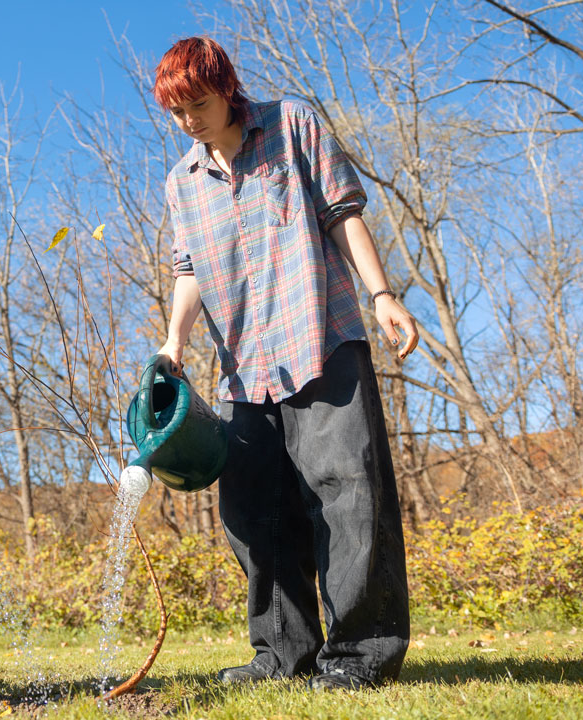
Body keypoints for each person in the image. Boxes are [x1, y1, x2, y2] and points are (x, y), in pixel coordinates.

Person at [153, 37, 416, 691]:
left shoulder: (292, 123)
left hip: (320, 339)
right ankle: (281, 653)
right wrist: (172, 344)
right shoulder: (181, 184)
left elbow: (342, 214)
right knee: (252, 511)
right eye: (177, 112)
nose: (191, 122)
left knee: (348, 497)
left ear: (228, 89)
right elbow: (189, 272)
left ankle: (361, 654)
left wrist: (382, 295)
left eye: (200, 104)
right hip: (243, 364)